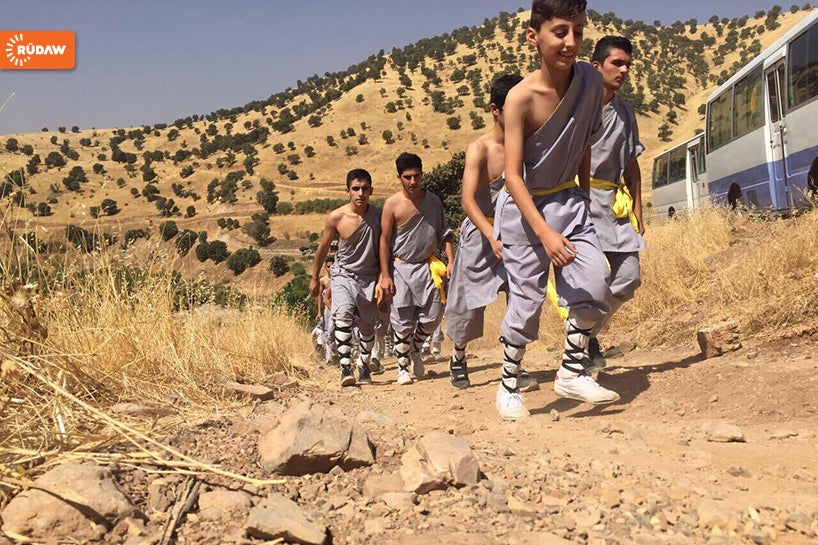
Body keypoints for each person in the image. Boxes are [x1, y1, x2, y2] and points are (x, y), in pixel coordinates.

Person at [494, 0, 619, 420]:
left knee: (595, 280)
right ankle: (508, 385)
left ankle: (571, 371)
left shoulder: (589, 81)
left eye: (578, 32)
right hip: (524, 211)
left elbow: (583, 142)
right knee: (526, 302)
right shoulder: (520, 99)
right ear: (534, 36)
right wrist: (545, 233)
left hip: (569, 200)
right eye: (560, 32)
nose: (570, 42)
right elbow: (513, 176)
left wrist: (583, 197)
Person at [444, 73, 536, 392]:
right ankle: (458, 355)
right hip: (480, 234)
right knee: (467, 305)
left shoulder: (527, 144)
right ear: (495, 110)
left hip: (515, 232)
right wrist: (490, 234)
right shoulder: (480, 148)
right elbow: (467, 200)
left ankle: (513, 364)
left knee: (520, 296)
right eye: (513, 106)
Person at [586, 35, 646, 370]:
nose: (623, 70)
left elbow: (631, 166)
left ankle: (585, 334)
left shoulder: (626, 112)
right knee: (592, 280)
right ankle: (580, 348)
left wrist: (638, 211)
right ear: (596, 66)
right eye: (617, 63)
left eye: (628, 65)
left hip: (614, 203)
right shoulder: (576, 107)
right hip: (579, 202)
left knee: (628, 276)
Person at [378, 152, 454, 386]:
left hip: (427, 266)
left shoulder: (433, 201)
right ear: (399, 177)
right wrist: (385, 275)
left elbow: (445, 233)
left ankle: (415, 348)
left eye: (417, 176)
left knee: (433, 316)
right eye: (407, 177)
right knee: (401, 320)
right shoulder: (391, 205)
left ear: (422, 174)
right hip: (400, 267)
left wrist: (451, 261)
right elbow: (384, 240)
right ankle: (402, 367)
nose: (413, 181)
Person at [310, 169, 382, 387]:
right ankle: (345, 368)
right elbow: (323, 249)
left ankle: (364, 365)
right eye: (356, 189)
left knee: (368, 328)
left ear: (371, 190)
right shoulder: (337, 217)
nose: (361, 193)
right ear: (347, 191)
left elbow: (387, 247)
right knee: (342, 315)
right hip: (343, 274)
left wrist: (384, 277)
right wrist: (314, 277)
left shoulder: (379, 216)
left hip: (370, 277)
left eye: (365, 189)